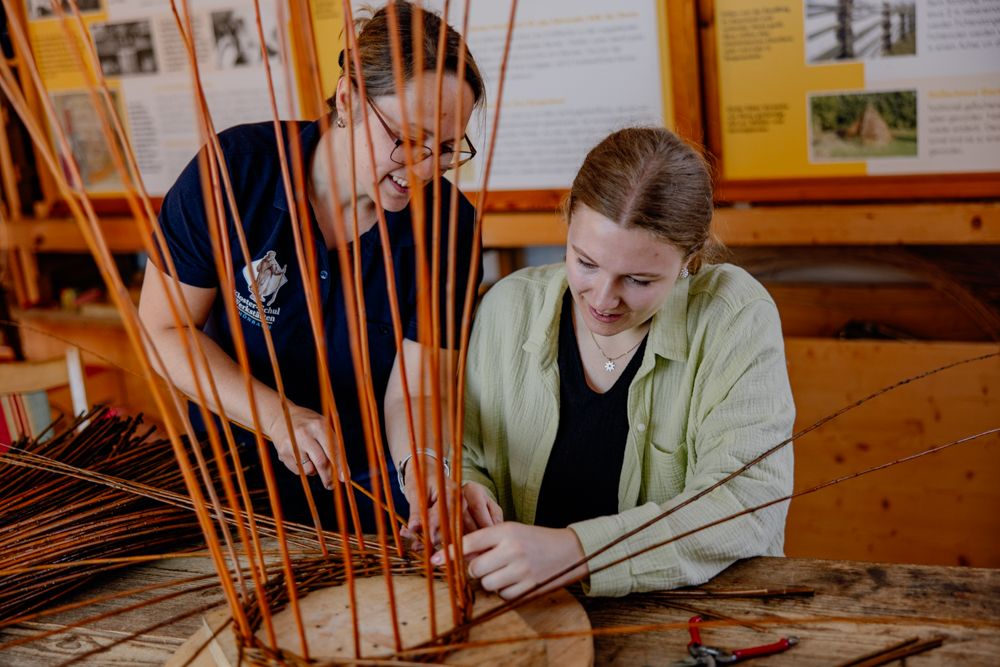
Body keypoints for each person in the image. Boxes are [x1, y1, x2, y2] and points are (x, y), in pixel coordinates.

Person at [138, 1, 485, 531]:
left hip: (369, 496)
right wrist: (277, 416)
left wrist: (423, 467)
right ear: (348, 99)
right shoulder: (234, 172)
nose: (422, 169)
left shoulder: (448, 227)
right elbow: (166, 330)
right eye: (407, 140)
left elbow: (418, 389)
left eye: (444, 149)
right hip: (235, 488)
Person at [432, 127, 795, 598]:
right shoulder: (508, 308)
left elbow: (747, 502)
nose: (603, 298)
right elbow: (468, 454)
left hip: (685, 615)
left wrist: (578, 554)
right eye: (585, 262)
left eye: (639, 280)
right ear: (567, 222)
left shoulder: (733, 315)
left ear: (690, 258)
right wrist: (465, 493)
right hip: (526, 613)